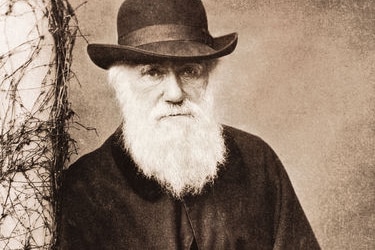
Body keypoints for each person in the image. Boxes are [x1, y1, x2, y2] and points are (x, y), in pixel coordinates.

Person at [58, 0, 320, 249]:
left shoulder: (257, 163)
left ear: (208, 78)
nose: (175, 94)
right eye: (153, 73)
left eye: (189, 71)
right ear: (123, 86)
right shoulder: (86, 187)